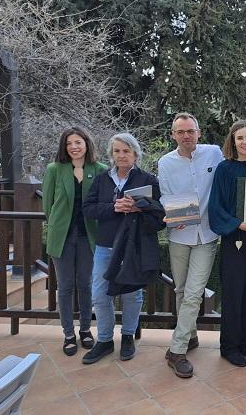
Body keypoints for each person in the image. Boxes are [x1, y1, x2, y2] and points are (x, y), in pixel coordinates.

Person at [82, 133, 164, 364]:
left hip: (133, 246)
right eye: (117, 151)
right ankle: (105, 340)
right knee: (99, 295)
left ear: (135, 154)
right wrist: (113, 207)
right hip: (105, 245)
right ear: (111, 155)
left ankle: (128, 336)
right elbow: (88, 209)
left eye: (126, 151)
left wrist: (140, 208)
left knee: (131, 293)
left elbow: (159, 215)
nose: (121, 155)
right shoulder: (101, 180)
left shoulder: (148, 180)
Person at [158, 113, 223, 377]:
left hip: (206, 236)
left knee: (194, 293)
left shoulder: (214, 153)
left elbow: (228, 181)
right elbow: (164, 195)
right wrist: (172, 212)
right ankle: (191, 335)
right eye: (180, 131)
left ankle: (177, 350)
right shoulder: (165, 162)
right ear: (173, 135)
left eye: (190, 131)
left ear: (199, 132)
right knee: (181, 290)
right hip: (179, 235)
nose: (186, 136)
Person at [42, 127, 107, 356]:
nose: (74, 147)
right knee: (65, 286)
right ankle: (68, 333)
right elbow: (47, 205)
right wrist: (60, 226)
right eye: (69, 143)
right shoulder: (54, 170)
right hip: (62, 238)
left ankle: (86, 330)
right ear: (64, 147)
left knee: (86, 285)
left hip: (89, 237)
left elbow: (103, 203)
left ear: (86, 144)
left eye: (78, 142)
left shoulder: (100, 170)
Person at [208, 121, 246, 367]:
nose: (244, 142)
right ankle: (229, 347)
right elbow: (216, 207)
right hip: (234, 238)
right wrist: (237, 224)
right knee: (233, 294)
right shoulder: (224, 169)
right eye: (239, 138)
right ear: (232, 142)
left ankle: (245, 342)